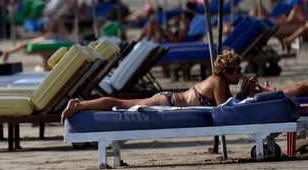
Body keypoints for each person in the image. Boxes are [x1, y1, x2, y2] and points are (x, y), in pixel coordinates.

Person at [61, 50, 260, 123]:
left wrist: (243, 94)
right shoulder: (218, 82)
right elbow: (225, 111)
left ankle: (81, 104)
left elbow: (226, 107)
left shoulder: (219, 81)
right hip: (167, 101)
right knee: (121, 103)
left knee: (122, 102)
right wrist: (244, 93)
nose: (239, 73)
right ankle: (79, 105)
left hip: (170, 98)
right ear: (225, 71)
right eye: (236, 70)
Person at [2, 18, 70, 63]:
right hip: (53, 41)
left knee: (27, 44)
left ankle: (9, 52)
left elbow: (46, 37)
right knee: (46, 57)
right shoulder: (58, 31)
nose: (49, 24)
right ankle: (9, 52)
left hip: (52, 41)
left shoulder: (56, 32)